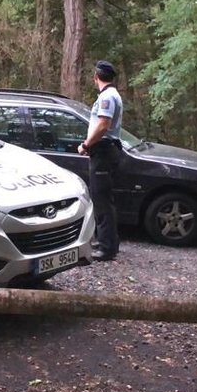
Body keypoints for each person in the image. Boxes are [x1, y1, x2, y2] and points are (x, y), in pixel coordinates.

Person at [77, 60, 123, 262]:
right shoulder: (111, 95)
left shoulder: (107, 97)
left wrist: (86, 144)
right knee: (102, 199)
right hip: (103, 150)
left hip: (103, 151)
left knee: (102, 200)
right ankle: (107, 240)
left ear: (96, 77)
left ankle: (107, 248)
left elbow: (103, 125)